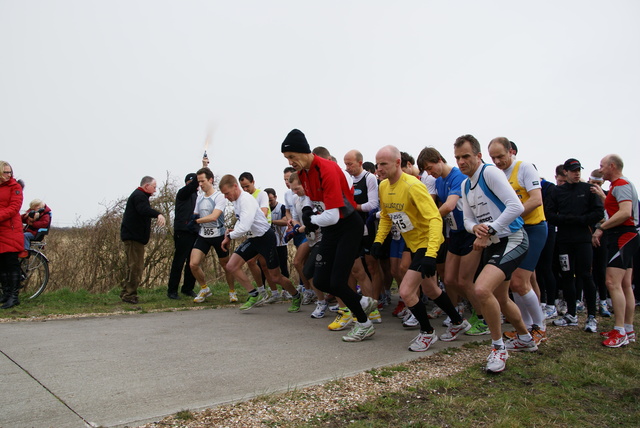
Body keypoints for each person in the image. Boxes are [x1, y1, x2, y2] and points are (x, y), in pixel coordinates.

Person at [281, 129, 377, 342]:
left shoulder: (328, 169)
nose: (290, 162)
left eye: (291, 157)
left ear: (303, 152)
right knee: (322, 279)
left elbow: (332, 215)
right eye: (287, 158)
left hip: (348, 226)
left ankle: (364, 324)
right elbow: (308, 197)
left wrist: (310, 220)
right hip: (331, 229)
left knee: (338, 281)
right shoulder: (304, 173)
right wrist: (307, 209)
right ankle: (361, 302)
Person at [373, 145, 471, 352]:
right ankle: (458, 321)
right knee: (431, 289)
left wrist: (430, 254)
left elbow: (435, 219)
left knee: (406, 291)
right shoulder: (383, 187)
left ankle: (427, 333)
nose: (379, 169)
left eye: (384, 164)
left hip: (428, 244)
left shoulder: (412, 186)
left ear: (398, 163)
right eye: (377, 164)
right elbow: (385, 216)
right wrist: (378, 241)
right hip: (412, 242)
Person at [454, 135, 535, 374]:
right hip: (493, 242)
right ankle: (525, 338)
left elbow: (517, 207)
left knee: (480, 289)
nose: (461, 162)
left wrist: (488, 228)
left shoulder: (490, 173)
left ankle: (498, 348)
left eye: (466, 156)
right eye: (457, 157)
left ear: (478, 156)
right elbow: (467, 219)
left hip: (514, 239)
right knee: (500, 298)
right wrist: (474, 228)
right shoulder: (465, 184)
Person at [417, 147, 486, 336]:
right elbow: (438, 205)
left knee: (464, 280)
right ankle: (456, 313)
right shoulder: (439, 182)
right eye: (427, 171)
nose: (430, 173)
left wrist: (427, 222)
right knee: (448, 279)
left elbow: (449, 205)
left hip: (469, 232)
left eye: (431, 168)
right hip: (454, 233)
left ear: (439, 159)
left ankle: (483, 318)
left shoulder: (457, 176)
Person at [488, 137, 548, 344]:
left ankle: (539, 327)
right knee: (520, 282)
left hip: (534, 228)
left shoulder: (525, 168)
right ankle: (527, 326)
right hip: (513, 230)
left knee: (519, 281)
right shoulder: (496, 174)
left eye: (501, 156)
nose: (497, 161)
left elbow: (536, 199)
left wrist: (510, 217)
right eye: (493, 158)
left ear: (511, 152)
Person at [218, 174, 302, 312]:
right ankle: (254, 294)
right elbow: (241, 221)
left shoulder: (246, 200)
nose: (226, 197)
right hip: (253, 238)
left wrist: (229, 236)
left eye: (227, 193)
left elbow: (244, 227)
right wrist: (233, 231)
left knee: (275, 277)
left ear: (234, 187)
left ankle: (296, 295)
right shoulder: (236, 201)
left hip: (265, 238)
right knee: (231, 266)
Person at [545, 158, 603, 332]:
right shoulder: (557, 191)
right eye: (573, 170)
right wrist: (566, 220)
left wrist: (581, 220)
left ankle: (591, 316)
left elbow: (599, 212)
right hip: (564, 240)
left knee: (586, 275)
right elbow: (549, 213)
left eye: (579, 170)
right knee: (567, 275)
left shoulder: (588, 190)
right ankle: (571, 314)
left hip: (583, 240)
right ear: (566, 172)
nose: (577, 173)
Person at [593, 154, 639, 347]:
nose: (600, 170)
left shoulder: (620, 184)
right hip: (625, 236)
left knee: (612, 282)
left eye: (602, 166)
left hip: (623, 236)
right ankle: (627, 329)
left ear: (612, 166)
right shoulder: (616, 186)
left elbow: (624, 212)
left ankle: (620, 331)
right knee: (625, 284)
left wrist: (601, 228)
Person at [344, 149, 383, 323]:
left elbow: (373, 204)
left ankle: (374, 305)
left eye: (350, 164)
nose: (347, 167)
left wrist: (354, 207)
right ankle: (356, 306)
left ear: (360, 163)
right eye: (345, 164)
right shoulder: (348, 180)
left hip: (368, 227)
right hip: (351, 229)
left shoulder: (370, 178)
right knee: (352, 269)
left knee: (371, 266)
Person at [190, 167, 237, 304]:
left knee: (226, 265)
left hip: (218, 234)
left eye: (202, 181)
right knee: (193, 264)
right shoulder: (199, 197)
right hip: (203, 234)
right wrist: (189, 221)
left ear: (211, 180)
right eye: (198, 182)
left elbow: (214, 216)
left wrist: (196, 221)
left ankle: (232, 291)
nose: (200, 184)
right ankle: (204, 288)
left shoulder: (220, 196)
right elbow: (195, 214)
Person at [120, 176, 166, 304]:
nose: (155, 190)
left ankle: (126, 292)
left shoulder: (139, 196)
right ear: (146, 186)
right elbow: (143, 210)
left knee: (132, 266)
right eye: (154, 187)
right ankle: (130, 294)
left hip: (134, 237)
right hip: (134, 238)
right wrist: (158, 214)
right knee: (136, 267)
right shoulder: (139, 196)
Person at [167, 172, 199, 299]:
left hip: (194, 232)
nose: (198, 185)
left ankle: (187, 288)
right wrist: (204, 168)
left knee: (192, 262)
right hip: (183, 231)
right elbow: (192, 186)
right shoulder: (183, 193)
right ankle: (172, 291)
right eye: (196, 182)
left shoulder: (197, 196)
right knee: (178, 262)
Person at [1, 161, 25, 309]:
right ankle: (6, 293)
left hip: (10, 229)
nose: (8, 175)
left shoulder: (15, 187)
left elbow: (14, 207)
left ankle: (14, 296)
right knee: (1, 264)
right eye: (5, 172)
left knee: (11, 263)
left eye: (10, 172)